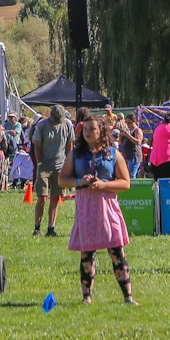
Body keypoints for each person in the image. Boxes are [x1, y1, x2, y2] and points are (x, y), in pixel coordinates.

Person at [62, 115, 137, 304]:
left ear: (101, 131)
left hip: (108, 207)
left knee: (117, 252)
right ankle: (86, 298)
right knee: (87, 254)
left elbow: (126, 182)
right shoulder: (76, 154)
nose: (87, 133)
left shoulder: (112, 153)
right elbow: (62, 180)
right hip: (86, 207)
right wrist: (79, 182)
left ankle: (128, 297)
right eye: (85, 129)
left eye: (92, 129)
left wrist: (104, 185)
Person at [30, 105, 72, 237]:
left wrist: (68, 165)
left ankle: (51, 228)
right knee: (42, 197)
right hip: (44, 165)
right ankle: (37, 228)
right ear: (50, 116)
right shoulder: (41, 126)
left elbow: (70, 145)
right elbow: (37, 146)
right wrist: (40, 163)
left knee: (55, 197)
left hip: (60, 165)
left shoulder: (67, 124)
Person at [148, 111, 170, 180]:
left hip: (154, 160)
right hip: (169, 159)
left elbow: (149, 142)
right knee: (169, 185)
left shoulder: (157, 128)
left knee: (157, 184)